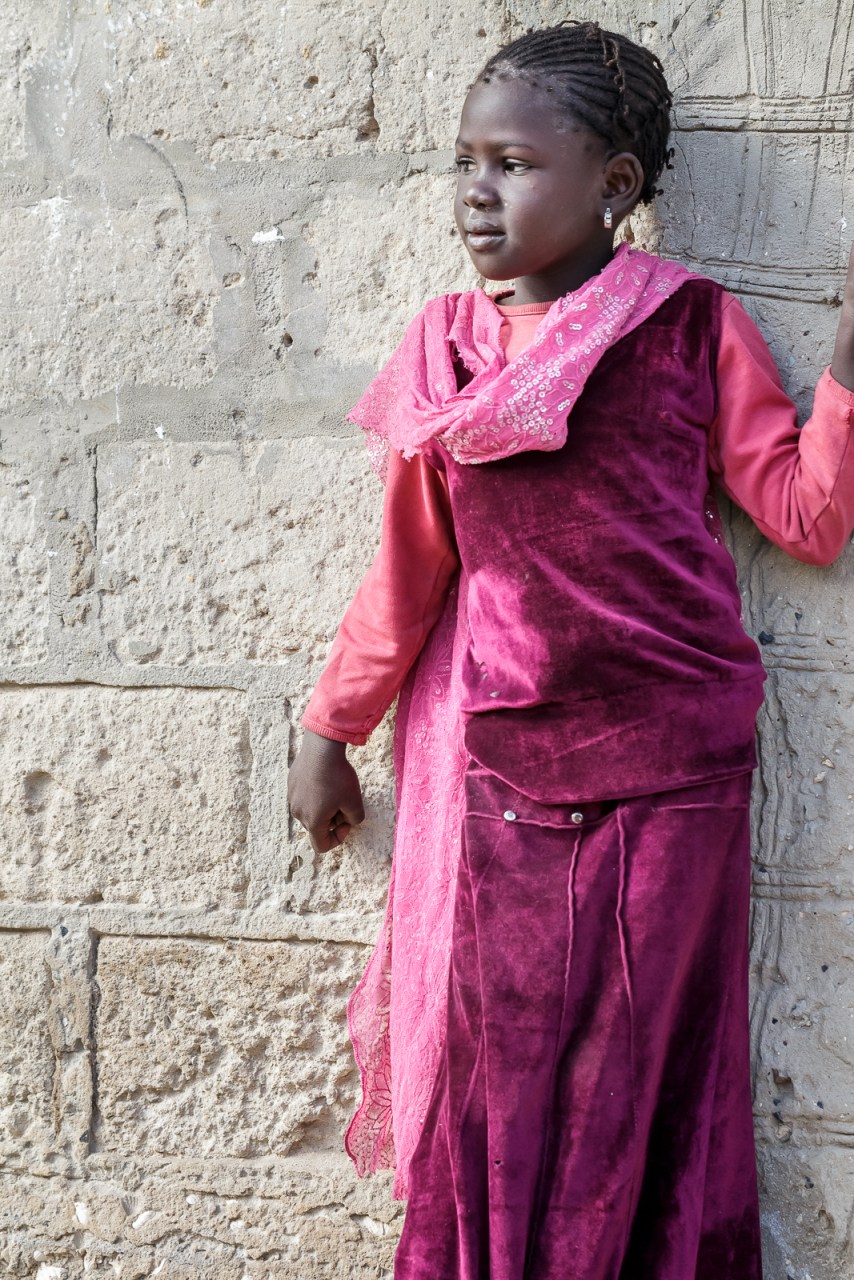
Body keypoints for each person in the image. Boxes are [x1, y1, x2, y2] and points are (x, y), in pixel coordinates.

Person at [288, 20, 854, 1279]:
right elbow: (409, 572)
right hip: (505, 771)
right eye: (463, 163)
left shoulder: (688, 327)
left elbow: (804, 519)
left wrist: (846, 377)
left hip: (673, 770)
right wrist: (328, 728)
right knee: (502, 1061)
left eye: (514, 163)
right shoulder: (445, 357)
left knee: (638, 1072)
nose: (476, 193)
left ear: (612, 187)